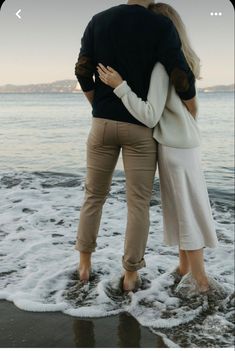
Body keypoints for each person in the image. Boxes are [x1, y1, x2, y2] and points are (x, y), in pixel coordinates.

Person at [74, 0, 197, 292]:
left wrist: (98, 105)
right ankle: (130, 275)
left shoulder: (98, 20)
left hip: (102, 124)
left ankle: (84, 265)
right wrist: (192, 107)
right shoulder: (161, 25)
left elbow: (82, 70)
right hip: (140, 129)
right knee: (138, 203)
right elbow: (179, 73)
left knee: (93, 196)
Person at [97, 2, 219, 293]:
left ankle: (200, 281)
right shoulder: (184, 62)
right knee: (182, 210)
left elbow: (150, 114)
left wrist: (120, 85)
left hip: (173, 147)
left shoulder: (160, 66)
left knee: (185, 213)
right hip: (187, 144)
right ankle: (184, 268)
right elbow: (187, 107)